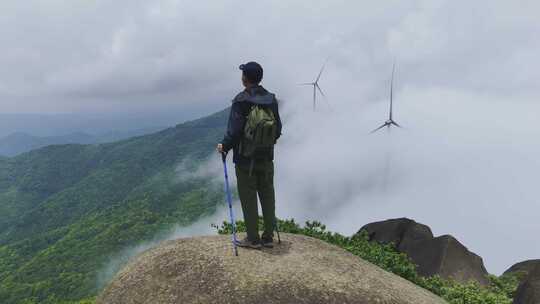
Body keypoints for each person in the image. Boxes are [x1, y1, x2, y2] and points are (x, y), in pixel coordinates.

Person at [217, 61, 282, 249]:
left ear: (245, 78)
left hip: (246, 161)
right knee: (268, 196)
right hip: (267, 158)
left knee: (249, 198)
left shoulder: (241, 100)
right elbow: (277, 129)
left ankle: (253, 239)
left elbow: (235, 131)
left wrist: (224, 146)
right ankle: (269, 236)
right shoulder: (271, 99)